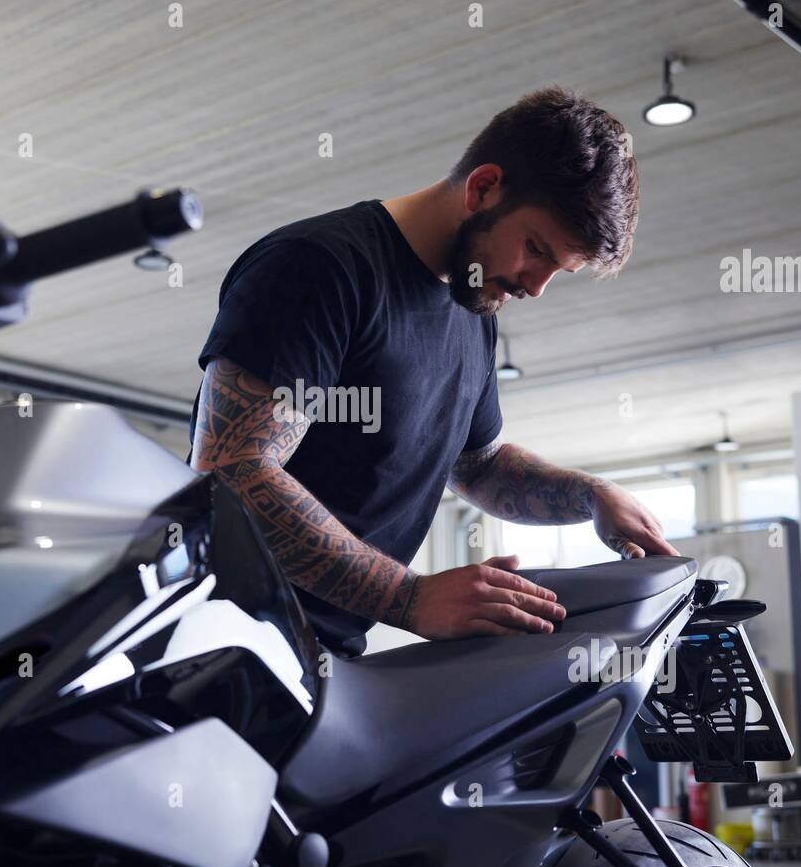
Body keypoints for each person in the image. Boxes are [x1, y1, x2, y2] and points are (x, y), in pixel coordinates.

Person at [188, 86, 678, 657]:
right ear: (483, 188)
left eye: (557, 271)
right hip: (215, 641)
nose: (536, 286)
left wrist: (592, 496)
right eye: (536, 249)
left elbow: (479, 466)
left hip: (321, 654)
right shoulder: (319, 267)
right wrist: (407, 597)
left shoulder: (474, 310)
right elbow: (232, 471)